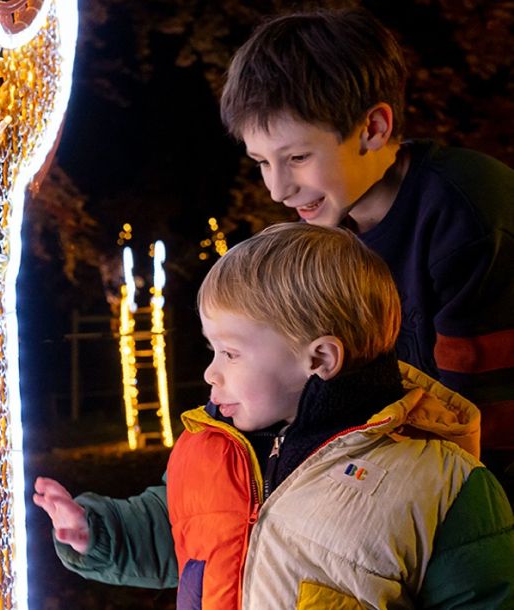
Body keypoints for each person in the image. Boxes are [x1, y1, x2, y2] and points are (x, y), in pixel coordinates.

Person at [34, 223, 514, 608]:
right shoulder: (210, 450)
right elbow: (173, 529)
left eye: (231, 353)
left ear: (320, 359)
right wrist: (97, 532)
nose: (210, 372)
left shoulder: (442, 487)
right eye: (212, 349)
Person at [218, 7, 514, 497]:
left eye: (296, 157)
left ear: (373, 128)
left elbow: (482, 435)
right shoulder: (328, 242)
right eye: (260, 162)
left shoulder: (469, 216)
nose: (277, 188)